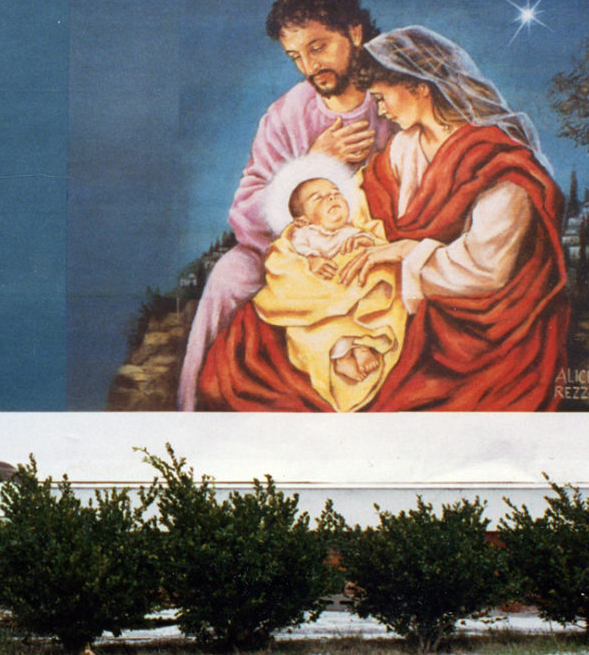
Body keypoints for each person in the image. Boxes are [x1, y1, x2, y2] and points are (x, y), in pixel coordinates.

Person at [198, 26, 568, 412]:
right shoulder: (405, 145)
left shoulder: (498, 163)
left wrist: (403, 253)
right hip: (403, 288)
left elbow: (486, 269)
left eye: (382, 96)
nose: (381, 110)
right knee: (247, 343)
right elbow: (361, 200)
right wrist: (314, 240)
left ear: (420, 86)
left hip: (468, 318)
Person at [176, 0, 395, 411]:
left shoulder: (391, 96)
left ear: (354, 32)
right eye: (296, 56)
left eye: (317, 47)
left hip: (372, 245)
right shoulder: (287, 113)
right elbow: (246, 212)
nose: (309, 67)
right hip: (289, 250)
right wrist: (311, 165)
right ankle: (187, 417)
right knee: (227, 276)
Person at [249, 154, 407, 412]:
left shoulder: (351, 230)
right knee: (314, 332)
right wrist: (312, 261)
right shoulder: (304, 235)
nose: (332, 198)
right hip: (318, 301)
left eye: (335, 193)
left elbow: (371, 245)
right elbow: (292, 257)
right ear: (302, 219)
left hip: (352, 293)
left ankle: (362, 346)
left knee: (357, 316)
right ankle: (342, 355)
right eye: (319, 198)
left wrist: (360, 244)